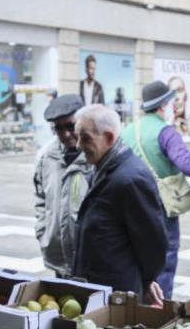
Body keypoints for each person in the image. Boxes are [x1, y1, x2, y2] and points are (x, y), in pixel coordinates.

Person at [122, 80, 190, 299]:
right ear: (163, 106)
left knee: (136, 254)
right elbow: (186, 163)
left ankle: (135, 305)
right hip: (161, 206)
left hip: (131, 204)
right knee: (164, 257)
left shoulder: (128, 131)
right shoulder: (165, 132)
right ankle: (160, 308)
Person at [71, 104, 167, 302]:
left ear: (108, 138)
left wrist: (148, 279)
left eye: (85, 137)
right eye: (78, 136)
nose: (78, 145)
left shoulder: (130, 179)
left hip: (117, 295)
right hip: (97, 288)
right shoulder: (102, 168)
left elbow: (153, 242)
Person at [34, 94, 92, 278]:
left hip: (92, 259)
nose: (65, 134)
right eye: (58, 128)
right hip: (59, 257)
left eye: (70, 126)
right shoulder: (46, 157)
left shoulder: (97, 154)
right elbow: (40, 198)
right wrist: (43, 234)